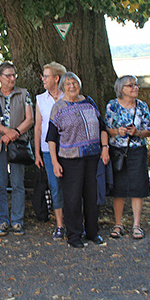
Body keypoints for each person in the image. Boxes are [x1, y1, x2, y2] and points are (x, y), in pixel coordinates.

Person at [47, 72, 110, 248]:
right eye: (68, 84)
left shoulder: (89, 102)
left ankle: (92, 232)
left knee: (92, 197)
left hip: (92, 157)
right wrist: (54, 162)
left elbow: (102, 128)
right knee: (73, 199)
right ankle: (74, 236)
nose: (72, 86)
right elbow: (51, 138)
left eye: (74, 82)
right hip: (70, 160)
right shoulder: (58, 107)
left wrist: (105, 148)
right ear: (62, 88)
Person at [0, 62, 34, 236]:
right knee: (0, 183)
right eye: (8, 75)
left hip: (18, 144)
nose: (12, 78)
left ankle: (17, 221)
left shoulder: (24, 94)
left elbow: (30, 119)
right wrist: (6, 131)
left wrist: (15, 134)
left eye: (14, 75)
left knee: (18, 183)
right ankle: (3, 220)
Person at [105, 76, 150, 240]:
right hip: (118, 151)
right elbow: (106, 129)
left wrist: (137, 133)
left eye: (136, 85)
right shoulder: (112, 105)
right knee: (118, 188)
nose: (135, 88)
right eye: (130, 85)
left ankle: (136, 225)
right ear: (121, 89)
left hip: (137, 151)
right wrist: (118, 131)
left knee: (137, 187)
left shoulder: (142, 106)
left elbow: (149, 129)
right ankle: (118, 224)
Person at [34, 62, 67, 240]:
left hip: (69, 150)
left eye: (46, 76)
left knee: (72, 186)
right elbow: (38, 127)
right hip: (48, 150)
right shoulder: (40, 99)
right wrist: (37, 152)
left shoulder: (68, 96)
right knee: (55, 187)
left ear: (56, 78)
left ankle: (75, 221)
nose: (43, 79)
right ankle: (60, 225)